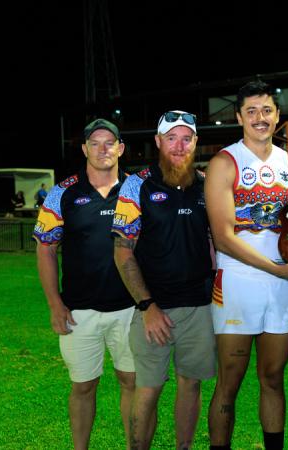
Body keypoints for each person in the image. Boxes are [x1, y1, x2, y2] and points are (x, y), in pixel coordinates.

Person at [205, 80, 288, 450]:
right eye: (251, 111)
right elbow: (223, 238)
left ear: (277, 116)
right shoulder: (224, 162)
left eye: (266, 110)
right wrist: (278, 269)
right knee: (229, 379)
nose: (260, 118)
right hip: (238, 282)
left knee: (272, 377)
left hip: (280, 284)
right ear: (239, 117)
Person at [112, 111, 216, 450]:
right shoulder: (137, 184)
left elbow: (215, 242)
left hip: (199, 307)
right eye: (171, 137)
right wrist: (147, 306)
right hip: (153, 309)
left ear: (196, 142)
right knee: (149, 387)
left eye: (187, 138)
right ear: (158, 141)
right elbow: (123, 252)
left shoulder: (206, 183)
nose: (179, 145)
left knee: (191, 385)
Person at [34, 118, 136, 449]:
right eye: (95, 142)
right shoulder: (62, 192)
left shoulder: (138, 189)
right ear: (85, 149)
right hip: (79, 311)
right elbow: (46, 248)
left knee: (132, 383)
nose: (103, 148)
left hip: (132, 309)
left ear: (120, 148)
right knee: (82, 386)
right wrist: (55, 304)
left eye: (110, 143)